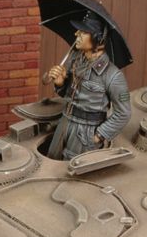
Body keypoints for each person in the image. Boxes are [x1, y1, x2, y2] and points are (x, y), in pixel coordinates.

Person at [47, 11, 131, 160]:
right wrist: (60, 83)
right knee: (52, 160)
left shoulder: (113, 75)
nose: (76, 34)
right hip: (65, 122)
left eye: (83, 31)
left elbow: (123, 113)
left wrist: (99, 136)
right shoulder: (75, 60)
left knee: (74, 167)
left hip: (85, 133)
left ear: (98, 38)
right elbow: (68, 94)